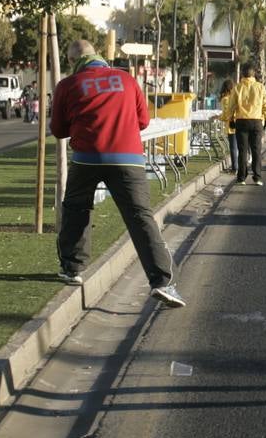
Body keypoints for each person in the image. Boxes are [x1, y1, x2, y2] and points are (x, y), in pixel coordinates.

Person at [50, 39, 185, 308]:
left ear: (73, 61)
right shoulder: (126, 80)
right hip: (128, 158)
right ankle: (162, 282)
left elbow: (58, 130)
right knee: (140, 216)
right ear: (99, 56)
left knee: (76, 208)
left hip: (87, 158)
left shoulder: (68, 85)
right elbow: (143, 121)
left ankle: (72, 268)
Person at [231, 62, 266, 185]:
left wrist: (230, 119)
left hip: (241, 121)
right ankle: (257, 177)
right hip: (256, 121)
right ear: (254, 74)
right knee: (256, 149)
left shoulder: (237, 87)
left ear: (242, 74)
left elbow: (232, 106)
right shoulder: (260, 87)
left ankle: (241, 177)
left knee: (242, 150)